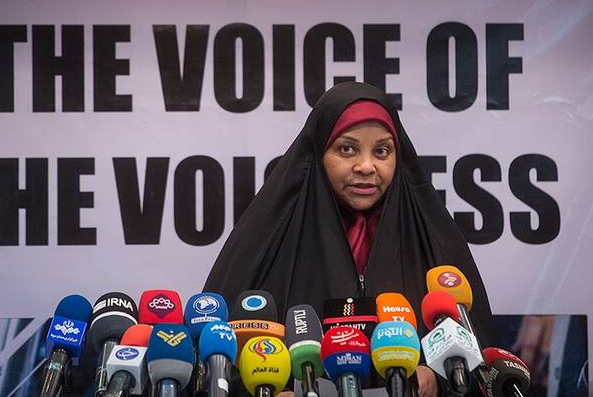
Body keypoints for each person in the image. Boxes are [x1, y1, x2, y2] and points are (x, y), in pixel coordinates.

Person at [205, 82, 498, 396]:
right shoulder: (267, 243)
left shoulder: (434, 243)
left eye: (382, 151)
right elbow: (218, 363)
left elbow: (480, 363)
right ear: (318, 154)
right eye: (347, 149)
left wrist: (438, 380)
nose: (366, 166)